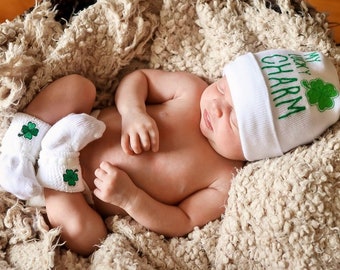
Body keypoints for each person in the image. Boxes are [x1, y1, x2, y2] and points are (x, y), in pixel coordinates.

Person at [0, 49, 339, 255]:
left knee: (88, 237)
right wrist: (134, 112)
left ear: (258, 148)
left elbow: (183, 221)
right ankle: (20, 145)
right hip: (78, 123)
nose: (218, 105)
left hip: (79, 193)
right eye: (223, 87)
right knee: (79, 87)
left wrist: (131, 198)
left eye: (234, 119)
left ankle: (51, 172)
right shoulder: (192, 91)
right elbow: (139, 79)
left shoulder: (224, 179)